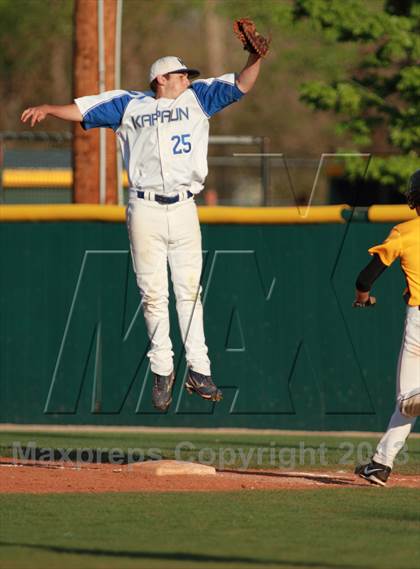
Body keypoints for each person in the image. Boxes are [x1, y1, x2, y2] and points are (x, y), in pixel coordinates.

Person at [21, 48, 263, 412]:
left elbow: (242, 83)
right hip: (144, 206)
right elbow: (84, 110)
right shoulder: (129, 104)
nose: (187, 79)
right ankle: (162, 370)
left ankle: (200, 370)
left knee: (189, 293)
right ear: (160, 79)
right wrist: (50, 109)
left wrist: (255, 57)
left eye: (187, 75)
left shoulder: (198, 98)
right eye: (181, 75)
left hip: (184, 206)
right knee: (153, 294)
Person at [353, 171, 420, 485]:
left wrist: (362, 298)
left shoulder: (405, 232)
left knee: (407, 399)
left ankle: (380, 464)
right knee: (408, 405)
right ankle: (380, 465)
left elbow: (365, 279)